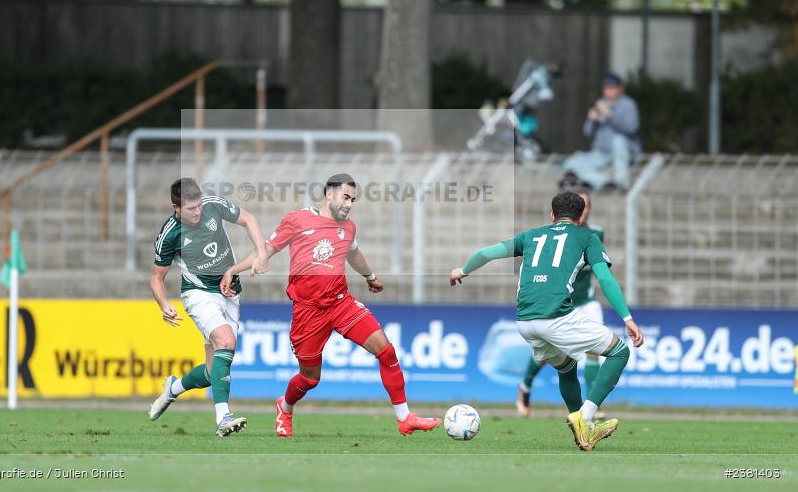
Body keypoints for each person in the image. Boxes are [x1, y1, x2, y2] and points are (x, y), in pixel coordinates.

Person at [221, 173, 441, 437]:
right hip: (307, 311)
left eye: (353, 200)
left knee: (386, 351)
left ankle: (405, 418)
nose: (349, 204)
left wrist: (370, 276)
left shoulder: (348, 227)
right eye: (345, 197)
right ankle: (285, 406)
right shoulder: (297, 219)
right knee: (310, 378)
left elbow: (354, 253)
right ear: (329, 194)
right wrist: (237, 269)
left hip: (340, 303)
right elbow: (266, 249)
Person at [449, 191, 644, 452]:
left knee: (566, 367)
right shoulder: (588, 237)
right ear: (581, 216)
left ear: (552, 215)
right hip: (557, 316)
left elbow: (487, 253)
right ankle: (585, 418)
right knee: (619, 351)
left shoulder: (531, 235)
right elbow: (605, 279)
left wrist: (462, 270)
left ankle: (581, 428)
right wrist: (627, 318)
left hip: (525, 321)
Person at [147, 177, 269, 437]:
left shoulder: (213, 205)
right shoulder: (170, 234)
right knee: (226, 340)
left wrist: (260, 253)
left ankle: (173, 388)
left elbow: (249, 219)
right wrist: (164, 304)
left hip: (230, 291)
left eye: (199, 205)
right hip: (199, 293)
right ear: (176, 208)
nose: (197, 212)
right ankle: (223, 417)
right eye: (191, 208)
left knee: (212, 372)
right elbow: (156, 278)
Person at [515, 191, 606, 418]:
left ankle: (591, 407)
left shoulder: (595, 234)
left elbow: (593, 265)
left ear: (587, 211)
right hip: (557, 303)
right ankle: (525, 386)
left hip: (585, 301)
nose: (582, 210)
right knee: (551, 354)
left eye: (585, 206)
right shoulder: (551, 237)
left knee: (596, 352)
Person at [561, 72, 640, 191]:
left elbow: (632, 128)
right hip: (602, 153)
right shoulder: (600, 104)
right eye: (607, 87)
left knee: (618, 140)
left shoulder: (628, 104)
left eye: (612, 87)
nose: (609, 91)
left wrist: (610, 115)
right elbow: (587, 132)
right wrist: (591, 120)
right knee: (570, 163)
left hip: (626, 151)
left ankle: (623, 183)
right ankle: (605, 183)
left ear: (620, 89)